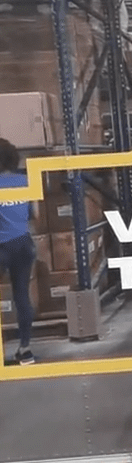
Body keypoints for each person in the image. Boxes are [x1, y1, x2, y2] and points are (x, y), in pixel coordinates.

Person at [0, 137, 36, 365]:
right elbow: (34, 216)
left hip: (2, 246)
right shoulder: (24, 181)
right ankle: (25, 349)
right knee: (22, 295)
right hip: (24, 244)